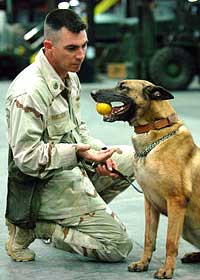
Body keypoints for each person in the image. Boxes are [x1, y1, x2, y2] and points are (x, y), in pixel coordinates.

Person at [5, 8, 135, 263]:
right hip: (41, 185)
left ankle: (77, 219)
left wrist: (98, 154)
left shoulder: (69, 77)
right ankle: (34, 226)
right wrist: (77, 153)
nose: (81, 55)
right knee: (117, 246)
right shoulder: (29, 92)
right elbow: (26, 159)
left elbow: (77, 129)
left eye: (84, 46)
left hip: (69, 168)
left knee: (133, 158)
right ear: (49, 46)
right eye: (72, 48)